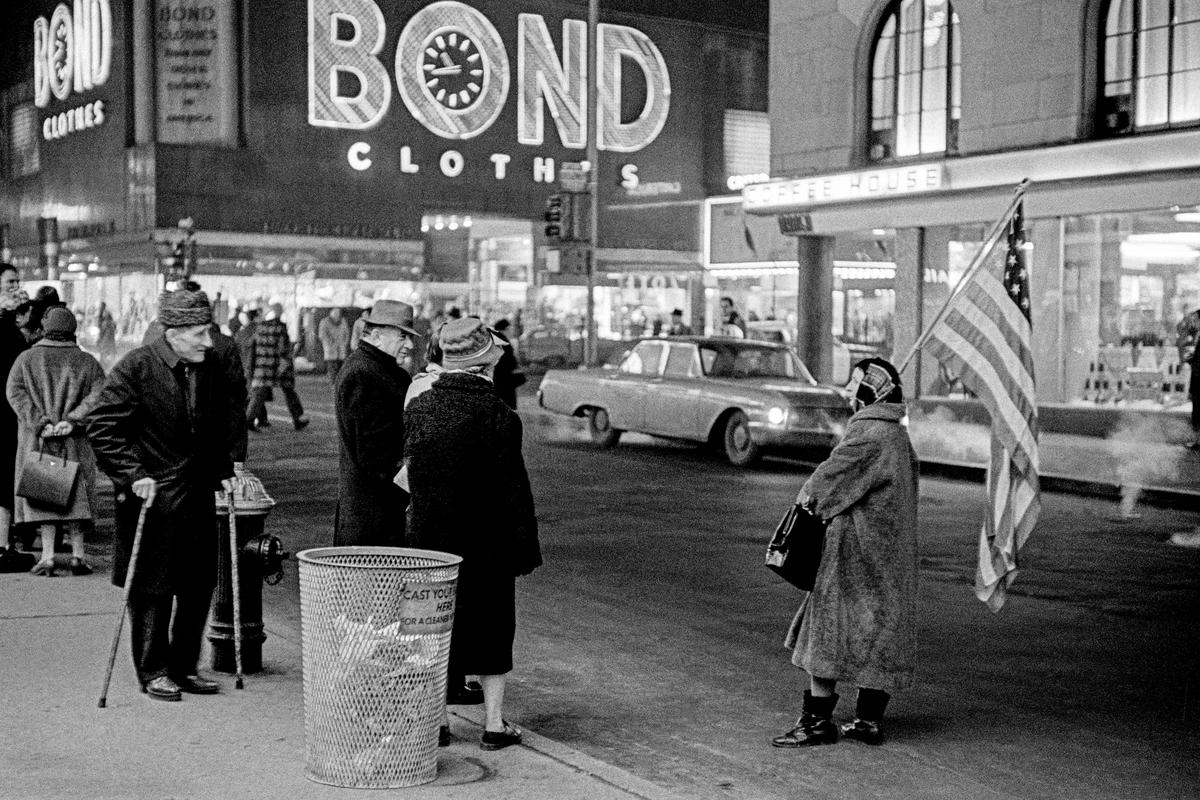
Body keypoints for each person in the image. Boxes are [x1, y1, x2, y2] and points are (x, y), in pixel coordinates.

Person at [86, 289, 237, 702]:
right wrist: (132, 474)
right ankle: (153, 671)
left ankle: (185, 667)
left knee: (196, 585)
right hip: (152, 500)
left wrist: (223, 470)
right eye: (200, 334)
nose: (209, 342)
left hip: (196, 496)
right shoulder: (137, 367)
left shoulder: (207, 369)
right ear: (173, 333)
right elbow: (102, 427)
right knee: (153, 588)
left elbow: (214, 427)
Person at [404, 317, 542, 750]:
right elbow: (512, 491)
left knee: (432, 629)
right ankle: (494, 726)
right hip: (485, 545)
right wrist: (523, 550)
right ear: (485, 367)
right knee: (491, 629)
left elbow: (411, 474)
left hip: (429, 543)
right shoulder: (498, 415)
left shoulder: (419, 407)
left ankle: (439, 723)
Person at [773, 358, 918, 749]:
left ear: (872, 391)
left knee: (828, 634)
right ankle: (867, 721)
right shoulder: (897, 438)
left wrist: (803, 510)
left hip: (855, 557)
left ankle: (816, 722)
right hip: (889, 557)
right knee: (878, 635)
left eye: (856, 383)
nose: (850, 390)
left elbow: (822, 488)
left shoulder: (869, 436)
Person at [7, 307, 106, 576]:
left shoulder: (26, 360)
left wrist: (40, 422)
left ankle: (48, 557)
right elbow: (99, 396)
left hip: (40, 441)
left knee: (45, 498)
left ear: (44, 328)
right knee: (77, 498)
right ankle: (77, 556)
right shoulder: (87, 362)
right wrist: (73, 420)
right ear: (72, 330)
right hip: (74, 441)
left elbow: (14, 392)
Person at [333, 300, 420, 547]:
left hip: (379, 515)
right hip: (373, 521)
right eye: (403, 336)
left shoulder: (379, 370)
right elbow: (376, 457)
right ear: (378, 335)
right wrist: (420, 483)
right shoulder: (363, 374)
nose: (410, 345)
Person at [0, 265, 31, 569]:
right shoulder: (9, 333)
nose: (15, 286)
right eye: (10, 282)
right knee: (4, 478)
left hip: (9, 413)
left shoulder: (12, 331)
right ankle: (3, 545)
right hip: (7, 413)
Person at [246, 303, 308, 431]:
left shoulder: (260, 328)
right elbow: (283, 349)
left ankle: (249, 419)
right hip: (278, 365)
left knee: (259, 393)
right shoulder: (280, 328)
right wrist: (285, 363)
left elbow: (253, 347)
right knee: (289, 391)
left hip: (263, 365)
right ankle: (298, 418)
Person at [1176, 307, 1200, 449]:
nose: (1193, 322)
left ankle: (1197, 441)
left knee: (1197, 410)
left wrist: (1193, 360)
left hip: (1198, 378)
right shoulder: (1197, 335)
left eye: (1195, 320)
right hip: (1196, 376)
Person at [491, 320, 525, 410]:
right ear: (506, 329)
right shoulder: (502, 341)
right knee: (507, 405)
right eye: (510, 329)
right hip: (505, 378)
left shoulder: (494, 339)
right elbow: (508, 359)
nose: (511, 331)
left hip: (498, 378)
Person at [318, 307, 350, 381]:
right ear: (330, 312)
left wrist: (344, 343)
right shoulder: (324, 321)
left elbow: (347, 333)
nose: (337, 313)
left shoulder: (343, 321)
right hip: (330, 350)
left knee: (341, 369)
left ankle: (340, 384)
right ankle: (334, 384)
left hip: (341, 349)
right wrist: (330, 343)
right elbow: (322, 335)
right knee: (332, 369)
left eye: (338, 311)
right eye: (335, 311)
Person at [96, 302, 117, 367]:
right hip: (110, 338)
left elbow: (101, 330)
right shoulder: (111, 322)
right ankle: (109, 363)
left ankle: (104, 363)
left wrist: (99, 338)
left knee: (104, 350)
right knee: (110, 350)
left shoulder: (105, 320)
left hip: (106, 339)